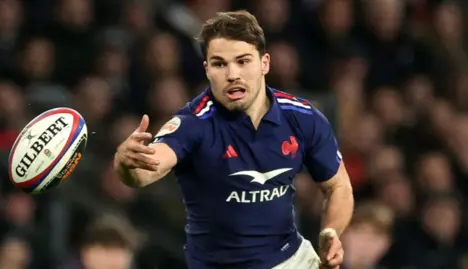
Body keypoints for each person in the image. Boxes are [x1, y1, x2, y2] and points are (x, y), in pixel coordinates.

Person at [114, 10, 354, 269]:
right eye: (219, 64)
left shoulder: (303, 118)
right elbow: (143, 172)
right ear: (207, 70)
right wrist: (126, 162)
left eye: (243, 61)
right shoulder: (193, 124)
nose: (232, 74)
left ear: (265, 63)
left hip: (292, 261)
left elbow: (338, 186)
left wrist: (330, 233)